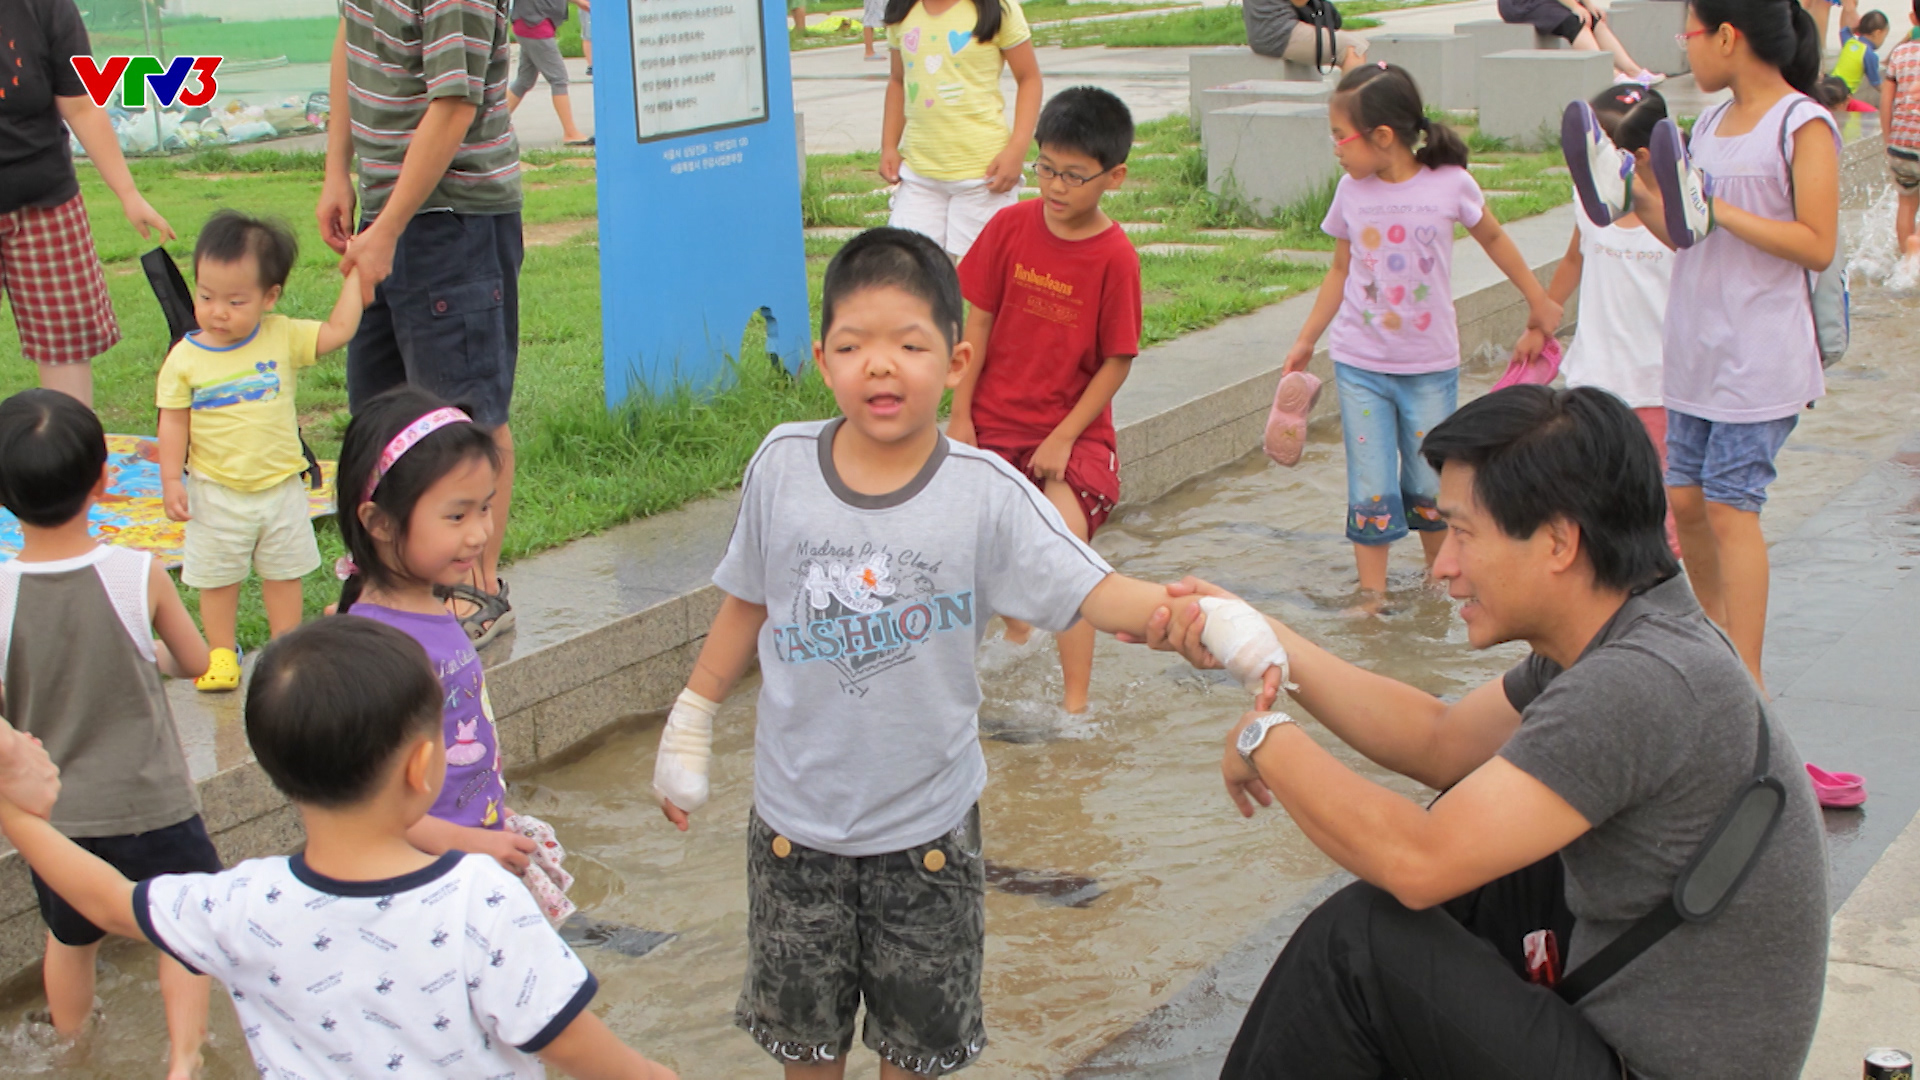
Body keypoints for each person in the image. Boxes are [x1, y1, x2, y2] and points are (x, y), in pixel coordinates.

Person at [647, 228, 1277, 1078]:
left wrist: (1193, 618)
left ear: (955, 361)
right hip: (795, 836)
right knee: (806, 1054)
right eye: (852, 345)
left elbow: (1092, 590)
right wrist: (691, 715)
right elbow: (749, 601)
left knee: (918, 1058)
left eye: (909, 345)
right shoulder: (782, 468)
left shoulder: (985, 495)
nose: (880, 365)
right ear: (824, 360)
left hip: (927, 841)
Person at [1136, 387, 1829, 1078]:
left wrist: (1265, 741)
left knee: (1361, 945)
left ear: (1559, 541)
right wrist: (1265, 641)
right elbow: (1441, 740)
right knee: (1477, 856)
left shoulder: (1640, 682)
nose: (1442, 564)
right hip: (1635, 1033)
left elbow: (1417, 861)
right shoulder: (1637, 627)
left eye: (1463, 533)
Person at [0, 617, 678, 1080]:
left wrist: (16, 815)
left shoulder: (245, 902)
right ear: (422, 767)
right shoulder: (481, 896)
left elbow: (105, 900)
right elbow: (568, 1040)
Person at [1282, 63, 1562, 605]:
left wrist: (1538, 300)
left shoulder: (1450, 184)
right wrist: (1307, 338)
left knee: (1432, 482)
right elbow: (1339, 271)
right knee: (1370, 484)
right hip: (1360, 363)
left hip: (1428, 367)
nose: (1336, 148)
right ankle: (1372, 598)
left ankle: (1441, 582)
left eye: (1341, 136)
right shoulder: (1351, 190)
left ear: (1382, 137)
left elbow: (1495, 237)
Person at [0, 388, 215, 1080]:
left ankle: (74, 1052)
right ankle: (183, 1058)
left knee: (69, 938)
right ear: (104, 478)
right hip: (155, 803)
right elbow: (198, 659)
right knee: (181, 930)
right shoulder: (136, 572)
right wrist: (148, 655)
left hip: (58, 821)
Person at [1630, 0, 1838, 694]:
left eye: (1688, 34)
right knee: (1684, 503)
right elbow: (1687, 232)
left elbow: (1817, 242)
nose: (1684, 49)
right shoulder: (1711, 121)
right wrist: (1633, 196)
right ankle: (1715, 644)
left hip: (1761, 353)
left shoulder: (1801, 123)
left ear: (1727, 35)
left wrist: (1721, 209)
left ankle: (1746, 681)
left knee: (1729, 506)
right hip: (1697, 346)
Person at [321, 0, 524, 647]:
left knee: (462, 419)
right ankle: (388, 587)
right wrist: (338, 170)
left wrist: (390, 227)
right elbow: (351, 35)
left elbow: (455, 103)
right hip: (390, 209)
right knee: (379, 417)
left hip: (451, 216)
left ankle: (478, 591)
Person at [949, 87, 1141, 714]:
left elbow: (1117, 360)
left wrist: (1063, 436)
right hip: (992, 422)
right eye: (1047, 169)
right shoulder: (1009, 227)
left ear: (1114, 177)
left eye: (1074, 177)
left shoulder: (1115, 257)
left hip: (1072, 435)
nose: (1056, 189)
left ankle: (1076, 706)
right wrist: (959, 416)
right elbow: (974, 326)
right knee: (972, 551)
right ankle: (1012, 632)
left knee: (1065, 553)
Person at [332, 387, 544, 882]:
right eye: (456, 515)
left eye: (485, 508)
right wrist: (469, 843)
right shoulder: (377, 648)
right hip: (428, 870)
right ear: (380, 523)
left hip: (473, 841)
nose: (479, 534)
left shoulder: (430, 603)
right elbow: (371, 809)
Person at [157, 211, 366, 692]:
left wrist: (355, 277)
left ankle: (285, 648)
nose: (217, 311)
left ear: (269, 297)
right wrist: (172, 479)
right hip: (215, 491)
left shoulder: (281, 335)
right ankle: (220, 654)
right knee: (217, 578)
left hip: (280, 488)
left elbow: (338, 330)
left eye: (235, 300)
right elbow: (173, 422)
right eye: (205, 296)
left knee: (283, 573)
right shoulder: (185, 358)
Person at [1526, 86, 1680, 554]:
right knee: (1589, 498)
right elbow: (1575, 257)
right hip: (1593, 377)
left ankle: (1663, 596)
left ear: (1641, 157)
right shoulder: (1592, 201)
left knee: (1659, 509)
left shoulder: (1679, 216)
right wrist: (1542, 320)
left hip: (1655, 386)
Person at [0, 0, 176, 407]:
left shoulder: (47, 7)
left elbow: (80, 104)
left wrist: (129, 195)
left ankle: (73, 461)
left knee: (65, 340)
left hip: (45, 201)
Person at [880, 0, 1043, 258]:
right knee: (910, 270)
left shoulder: (997, 8)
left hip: (984, 176)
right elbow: (898, 81)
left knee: (979, 281)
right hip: (919, 175)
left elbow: (1029, 78)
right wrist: (889, 145)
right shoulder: (902, 10)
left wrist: (1017, 149)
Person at [1496, 0, 1663, 84]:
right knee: (1575, 21)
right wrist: (1575, 7)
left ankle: (1633, 71)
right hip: (1520, 4)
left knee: (1594, 18)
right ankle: (1609, 73)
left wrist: (1588, 4)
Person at [508, 0, 595, 147]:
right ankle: (570, 133)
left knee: (524, 81)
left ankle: (489, 126)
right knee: (558, 79)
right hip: (534, 24)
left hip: (531, 23)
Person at [1241, 0, 1369, 73]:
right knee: (1354, 49)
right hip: (1279, 33)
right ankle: (1351, 114)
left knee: (1355, 42)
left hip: (1267, 31)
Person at [1886, 0, 1920, 264]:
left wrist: (1890, 140)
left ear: (1912, 18)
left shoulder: (1899, 54)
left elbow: (1886, 102)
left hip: (1902, 146)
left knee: (1906, 205)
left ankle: (1908, 263)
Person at [1835, 9, 1889, 106]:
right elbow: (1876, 83)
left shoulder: (1849, 42)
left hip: (1831, 85)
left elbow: (1844, 31)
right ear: (1878, 33)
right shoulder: (1869, 54)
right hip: (1843, 95)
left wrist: (1855, 28)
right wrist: (1893, 94)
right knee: (1871, 112)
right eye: (1884, 36)